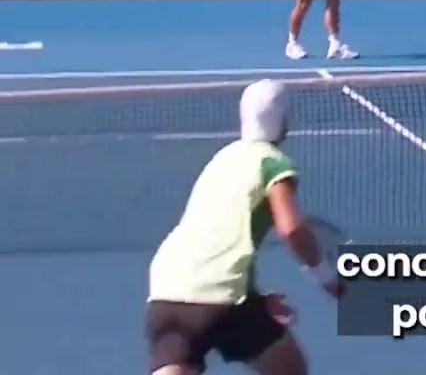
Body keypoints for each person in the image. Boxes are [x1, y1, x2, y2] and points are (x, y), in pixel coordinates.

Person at [145, 79, 345, 375]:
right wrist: (327, 278)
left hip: (166, 292)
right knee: (290, 370)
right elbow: (291, 229)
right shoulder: (273, 164)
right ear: (283, 120)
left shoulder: (222, 158)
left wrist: (255, 300)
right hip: (224, 299)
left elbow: (219, 240)